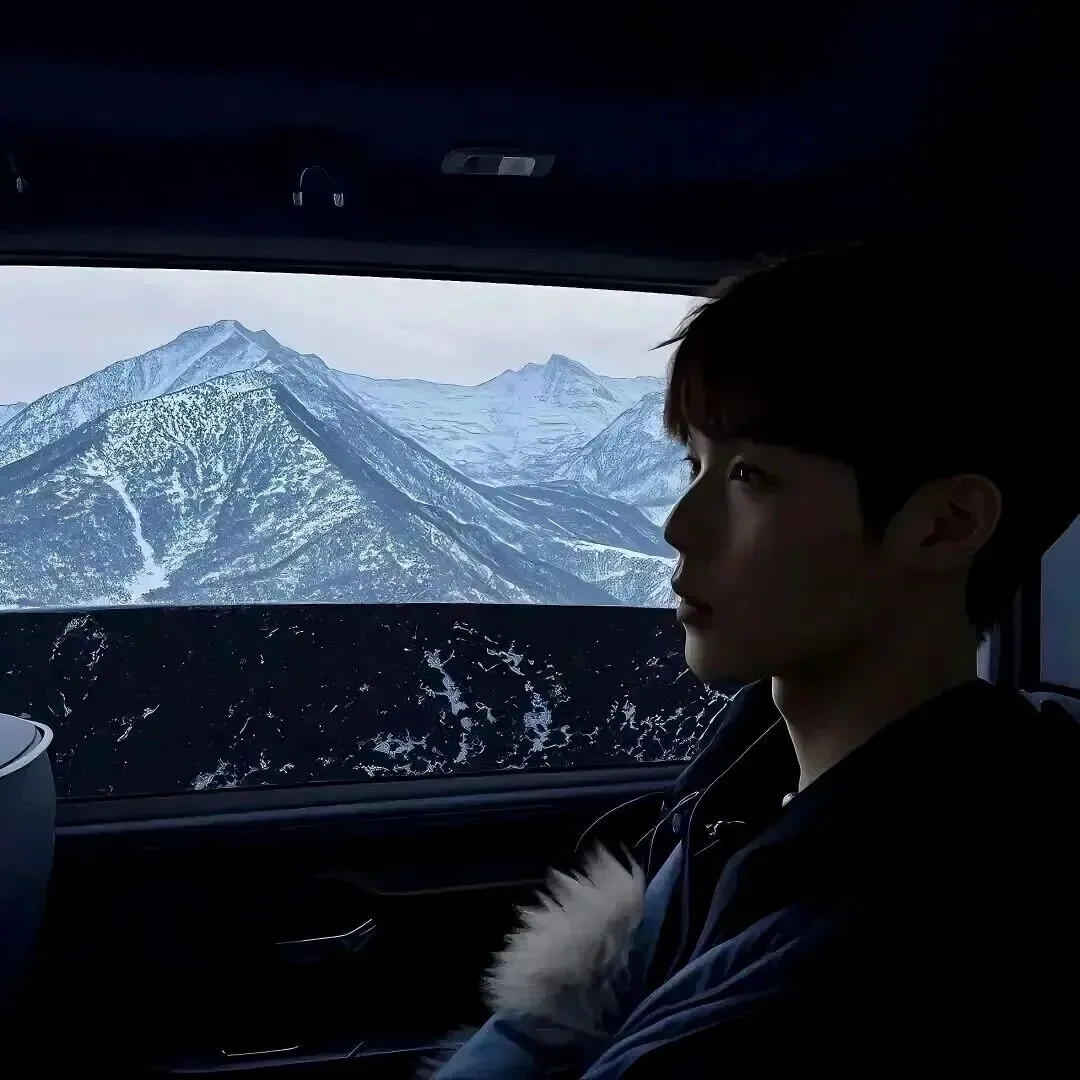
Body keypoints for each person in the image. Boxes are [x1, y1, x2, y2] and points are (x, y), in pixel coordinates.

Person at [423, 242, 1080, 1078]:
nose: (678, 526)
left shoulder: (892, 959)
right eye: (693, 464)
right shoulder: (735, 801)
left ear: (944, 526)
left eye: (750, 476)